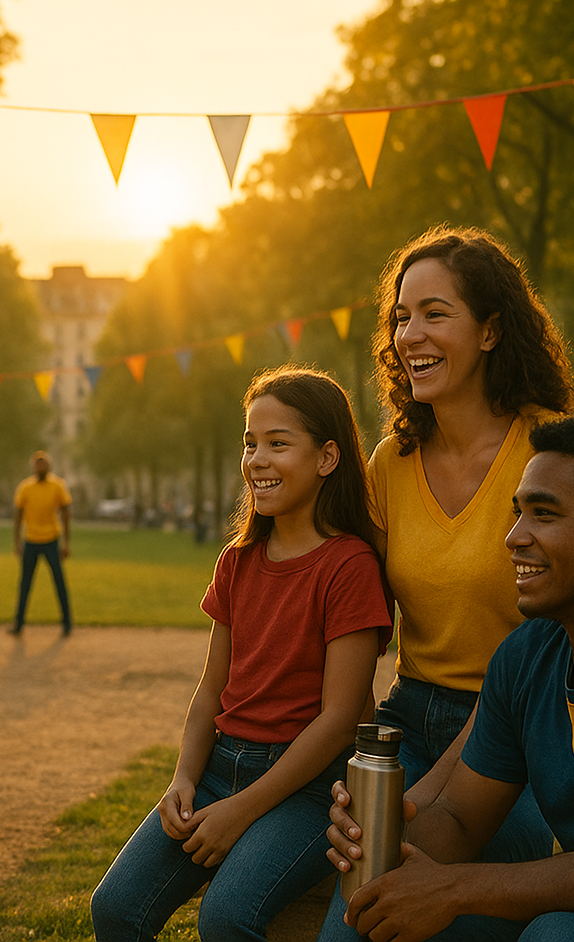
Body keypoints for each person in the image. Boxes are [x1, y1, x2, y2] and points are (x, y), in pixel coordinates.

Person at [326, 416, 574, 941]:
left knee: (557, 934)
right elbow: (460, 821)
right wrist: (377, 838)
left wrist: (453, 890)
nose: (513, 538)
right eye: (517, 514)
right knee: (387, 913)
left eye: (544, 514)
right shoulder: (526, 656)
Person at [313, 228, 574, 934]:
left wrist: (423, 796)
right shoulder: (390, 464)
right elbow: (355, 624)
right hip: (408, 721)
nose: (410, 334)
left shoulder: (551, 451)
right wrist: (364, 758)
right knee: (355, 913)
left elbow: (556, 644)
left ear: (491, 330)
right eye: (401, 317)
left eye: (435, 313)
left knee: (445, 912)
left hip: (518, 734)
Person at [91, 367, 393, 941]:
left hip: (308, 789)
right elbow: (211, 691)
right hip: (217, 771)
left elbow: (338, 721)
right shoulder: (238, 560)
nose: (257, 458)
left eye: (279, 444)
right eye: (251, 443)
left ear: (328, 457)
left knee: (227, 919)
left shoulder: (349, 566)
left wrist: (244, 809)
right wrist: (183, 777)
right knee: (115, 909)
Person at [11, 450, 72, 635]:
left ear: (49, 465)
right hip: (31, 540)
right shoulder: (25, 487)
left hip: (51, 540)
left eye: (43, 463)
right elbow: (18, 515)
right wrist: (17, 541)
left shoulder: (58, 485)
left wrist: (66, 543)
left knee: (59, 582)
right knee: (25, 584)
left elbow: (66, 514)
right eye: (37, 463)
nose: (40, 466)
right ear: (33, 466)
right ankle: (19, 623)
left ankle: (67, 623)